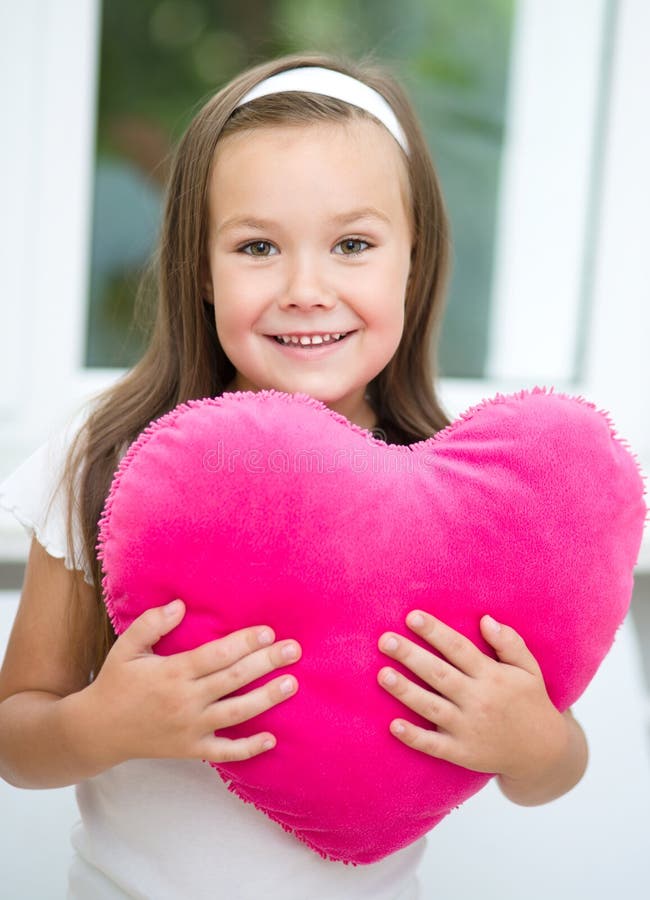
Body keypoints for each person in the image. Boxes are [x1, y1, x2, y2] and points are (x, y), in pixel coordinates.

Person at [0, 53, 588, 899]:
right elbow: (17, 736)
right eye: (257, 246)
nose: (306, 289)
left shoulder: (465, 499)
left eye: (353, 244)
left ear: (411, 262)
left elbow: (554, 769)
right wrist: (106, 724)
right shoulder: (104, 458)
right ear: (201, 269)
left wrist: (532, 745)